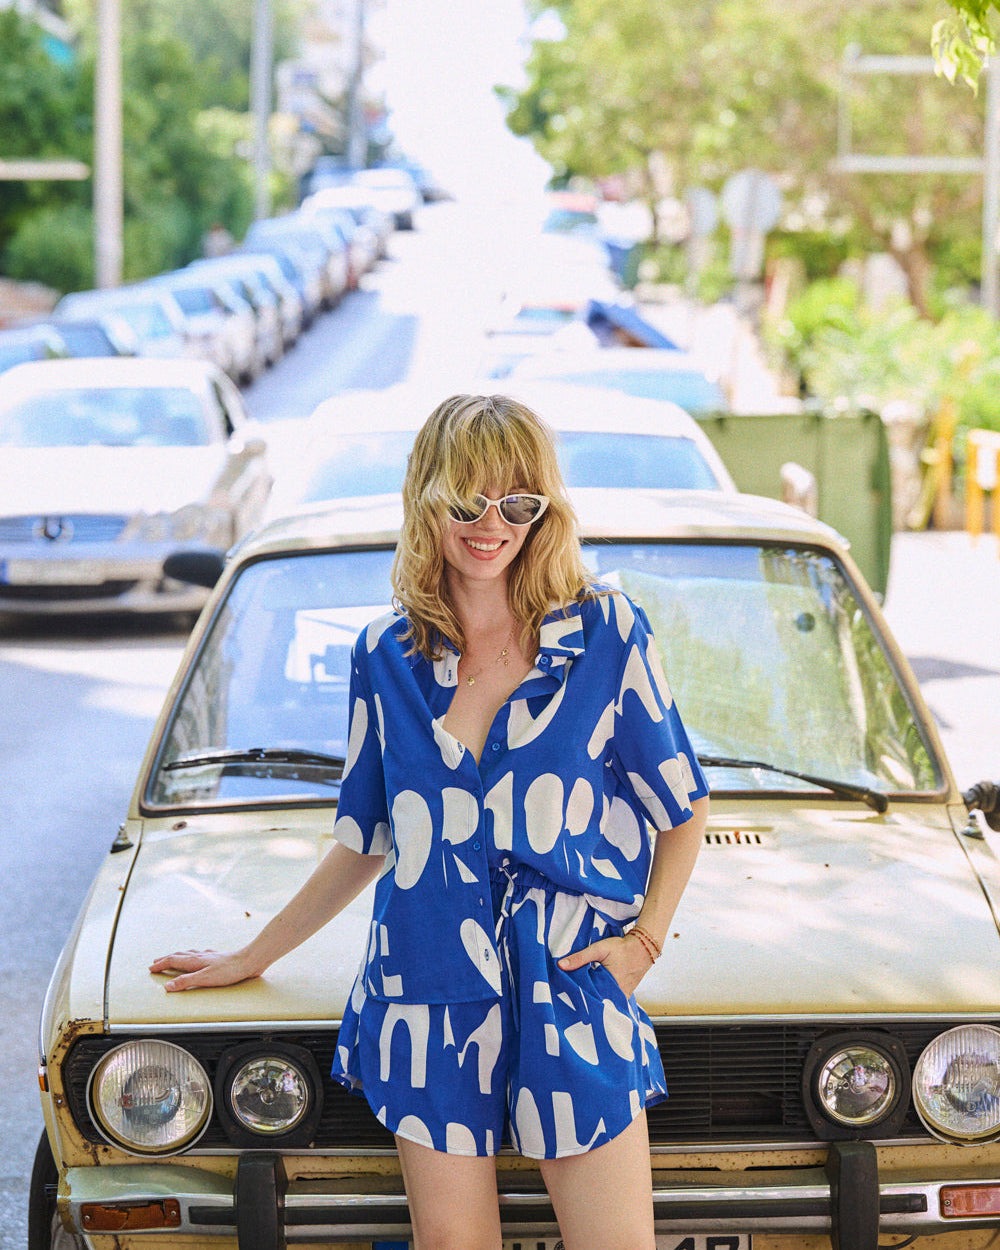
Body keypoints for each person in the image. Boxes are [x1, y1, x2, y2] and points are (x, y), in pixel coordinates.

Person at [150, 393, 710, 1250]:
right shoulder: (387, 658)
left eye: (517, 503)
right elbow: (366, 840)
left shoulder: (606, 635)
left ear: (543, 511)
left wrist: (645, 944)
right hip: (425, 992)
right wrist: (252, 955)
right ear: (426, 498)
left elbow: (683, 806)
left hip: (570, 982)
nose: (492, 525)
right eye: (468, 500)